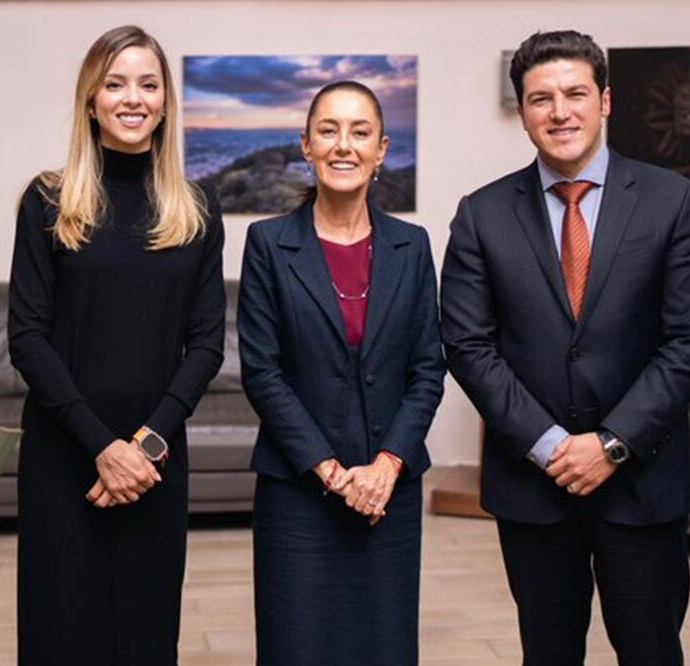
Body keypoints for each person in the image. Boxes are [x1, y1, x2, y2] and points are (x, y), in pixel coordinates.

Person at [440, 30, 690, 666]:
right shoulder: (481, 214)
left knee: (651, 650)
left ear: (605, 101)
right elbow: (468, 345)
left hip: (644, 483)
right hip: (533, 490)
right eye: (540, 99)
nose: (559, 111)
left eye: (574, 93)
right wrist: (549, 446)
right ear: (523, 112)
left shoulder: (674, 202)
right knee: (546, 652)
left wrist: (612, 443)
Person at [8, 25, 224, 666]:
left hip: (154, 465)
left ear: (165, 102)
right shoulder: (47, 201)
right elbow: (27, 337)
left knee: (144, 637)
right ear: (91, 100)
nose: (134, 98)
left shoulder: (195, 208)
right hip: (64, 460)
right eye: (116, 82)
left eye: (149, 84)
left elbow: (208, 343)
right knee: (61, 634)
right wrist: (102, 447)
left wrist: (143, 447)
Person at [238, 80, 444, 665]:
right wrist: (331, 472)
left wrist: (387, 466)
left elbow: (429, 368)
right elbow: (263, 372)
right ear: (306, 145)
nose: (343, 145)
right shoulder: (269, 244)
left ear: (382, 149)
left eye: (360, 132)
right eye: (328, 130)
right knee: (295, 646)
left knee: (385, 646)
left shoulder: (413, 245)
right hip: (298, 492)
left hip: (390, 492)